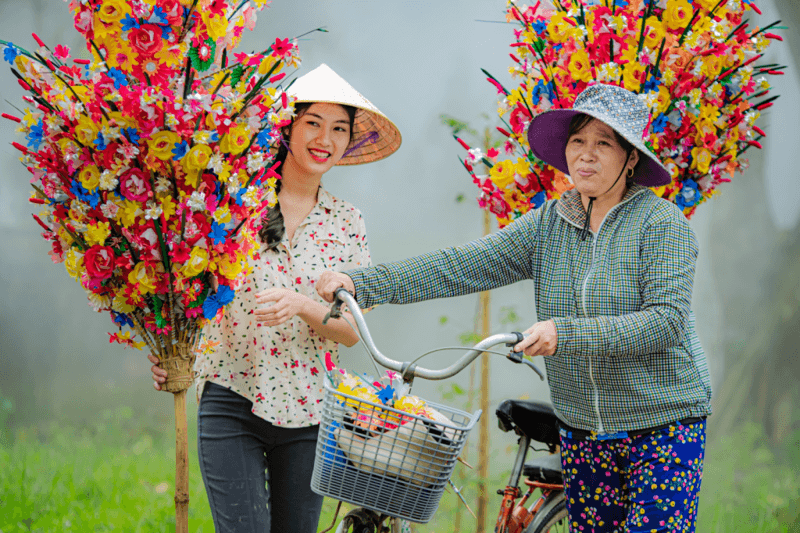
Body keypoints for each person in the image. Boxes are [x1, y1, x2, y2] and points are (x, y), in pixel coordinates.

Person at [317, 84, 712, 533]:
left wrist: (565, 334)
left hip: (663, 425)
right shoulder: (549, 224)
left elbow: (666, 321)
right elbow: (459, 266)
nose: (586, 154)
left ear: (631, 158)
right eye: (578, 140)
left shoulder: (661, 224)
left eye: (604, 143)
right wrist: (363, 283)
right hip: (583, 431)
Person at [149, 63, 401, 532]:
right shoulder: (236, 203)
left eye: (339, 128)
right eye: (313, 123)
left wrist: (303, 305)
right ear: (287, 128)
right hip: (232, 396)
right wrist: (173, 352)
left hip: (311, 412)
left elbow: (351, 332)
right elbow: (187, 291)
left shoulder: (347, 221)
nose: (325, 138)